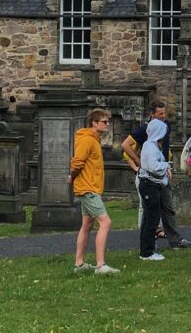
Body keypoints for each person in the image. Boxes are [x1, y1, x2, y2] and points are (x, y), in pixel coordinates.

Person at [122, 101, 191, 249]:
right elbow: (125, 145)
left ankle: (175, 240)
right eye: (160, 114)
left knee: (168, 207)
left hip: (162, 173)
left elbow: (164, 150)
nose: (163, 116)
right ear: (152, 114)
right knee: (148, 210)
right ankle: (148, 243)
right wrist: (138, 162)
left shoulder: (165, 127)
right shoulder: (146, 129)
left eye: (164, 113)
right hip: (149, 176)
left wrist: (167, 166)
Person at [69, 109, 118, 275]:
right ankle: (100, 265)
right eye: (104, 122)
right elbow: (77, 162)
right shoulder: (87, 140)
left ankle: (79, 264)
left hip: (91, 187)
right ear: (94, 123)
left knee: (87, 224)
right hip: (88, 188)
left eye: (107, 121)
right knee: (105, 222)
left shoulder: (94, 139)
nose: (107, 124)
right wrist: (72, 177)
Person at [137, 119, 172, 261]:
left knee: (149, 218)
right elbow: (153, 167)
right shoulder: (151, 148)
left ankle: (146, 250)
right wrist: (166, 165)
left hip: (151, 184)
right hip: (149, 185)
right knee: (152, 219)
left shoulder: (151, 146)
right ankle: (147, 252)